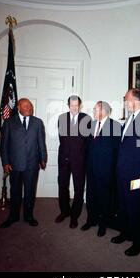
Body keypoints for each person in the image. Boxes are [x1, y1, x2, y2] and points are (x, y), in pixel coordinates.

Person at [111, 88, 140, 256]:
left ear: (136, 100)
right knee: (123, 206)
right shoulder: (129, 119)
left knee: (136, 208)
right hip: (122, 172)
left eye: (126, 99)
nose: (124, 103)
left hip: (137, 174)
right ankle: (125, 233)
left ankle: (139, 243)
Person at [0, 98, 47, 228]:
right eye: (26, 106)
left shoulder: (37, 122)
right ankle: (13, 216)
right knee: (15, 191)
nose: (29, 108)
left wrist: (43, 159)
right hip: (14, 164)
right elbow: (4, 145)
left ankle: (29, 216)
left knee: (30, 192)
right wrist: (5, 162)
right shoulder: (9, 123)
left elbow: (41, 143)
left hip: (32, 164)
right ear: (19, 107)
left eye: (30, 106)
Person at [81, 101, 121, 237]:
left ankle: (103, 224)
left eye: (95, 110)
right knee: (90, 195)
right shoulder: (91, 125)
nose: (93, 112)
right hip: (91, 167)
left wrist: (114, 169)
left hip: (106, 169)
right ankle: (91, 220)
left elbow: (118, 150)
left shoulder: (115, 126)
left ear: (103, 111)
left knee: (105, 196)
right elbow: (87, 146)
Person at [55, 95, 91, 229]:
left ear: (80, 105)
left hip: (79, 160)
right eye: (71, 105)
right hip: (64, 159)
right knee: (62, 186)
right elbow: (62, 140)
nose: (74, 108)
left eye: (76, 105)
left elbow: (87, 142)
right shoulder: (62, 118)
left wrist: (83, 158)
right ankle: (64, 211)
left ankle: (74, 216)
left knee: (79, 188)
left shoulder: (86, 119)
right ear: (68, 105)